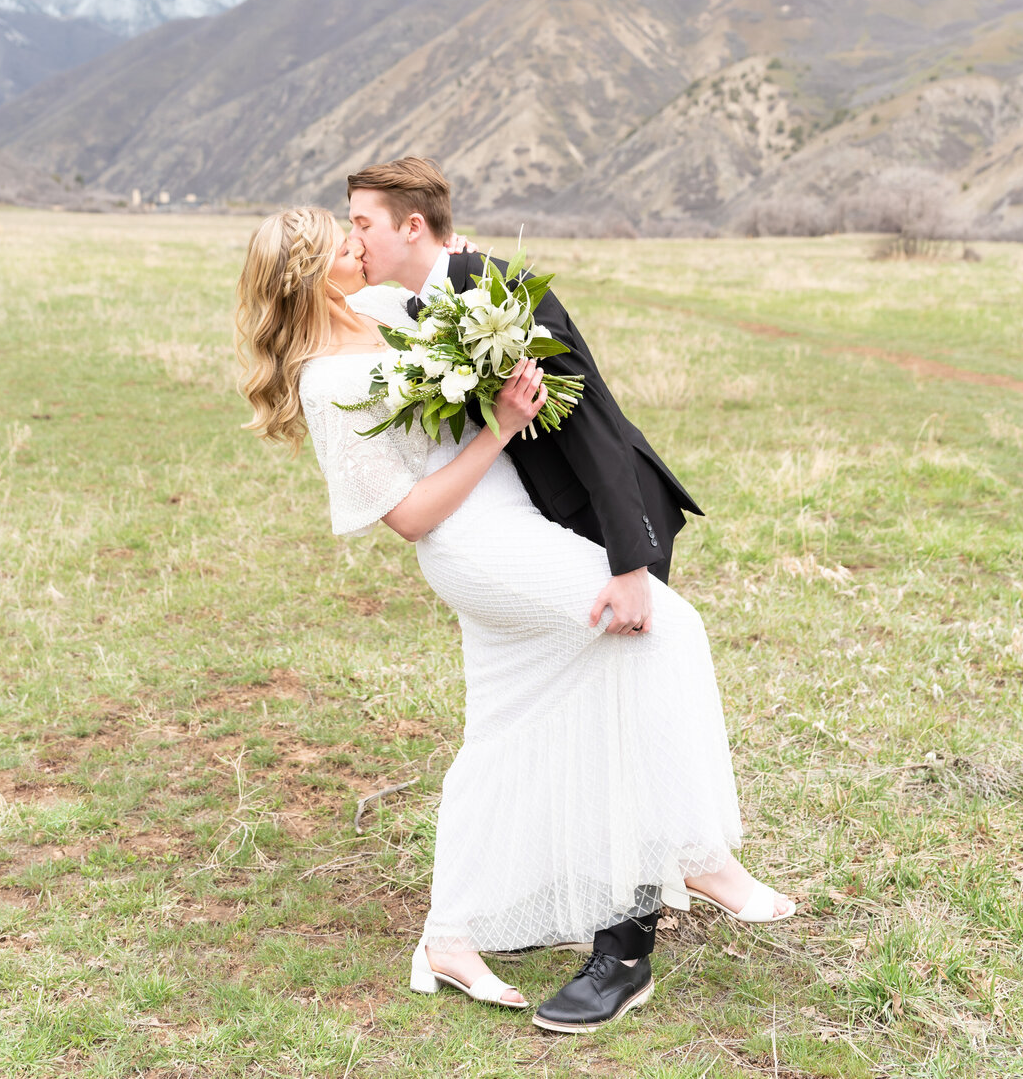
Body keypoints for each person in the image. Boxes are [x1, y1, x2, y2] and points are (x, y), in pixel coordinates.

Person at [236, 191, 795, 1037]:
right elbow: (411, 516)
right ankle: (694, 852)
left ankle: (450, 937)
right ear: (313, 271)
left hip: (514, 523)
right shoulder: (328, 382)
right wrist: (496, 431)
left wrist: (470, 260)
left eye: (358, 226)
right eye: (342, 237)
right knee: (665, 626)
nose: (358, 240)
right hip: (476, 544)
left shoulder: (380, 307)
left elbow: (448, 281)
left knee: (503, 729)